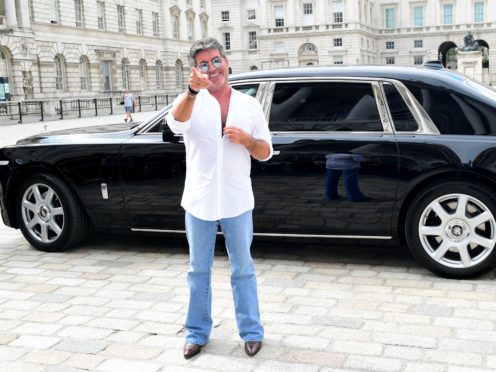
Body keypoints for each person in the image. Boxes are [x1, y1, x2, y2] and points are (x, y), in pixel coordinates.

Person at [166, 37, 272, 360]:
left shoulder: (248, 105)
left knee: (243, 268)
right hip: (199, 200)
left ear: (226, 62)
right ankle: (197, 332)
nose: (211, 69)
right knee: (199, 269)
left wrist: (247, 140)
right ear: (195, 70)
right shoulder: (190, 101)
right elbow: (174, 124)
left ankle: (252, 332)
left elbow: (266, 151)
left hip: (237, 200)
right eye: (203, 64)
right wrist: (191, 91)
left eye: (215, 61)